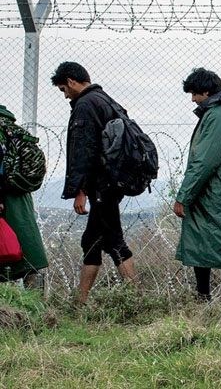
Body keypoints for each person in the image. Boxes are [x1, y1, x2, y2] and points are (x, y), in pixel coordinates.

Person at [52, 62, 138, 304]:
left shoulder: (86, 105)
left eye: (63, 89)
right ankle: (81, 301)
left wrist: (79, 191)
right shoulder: (106, 100)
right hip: (113, 181)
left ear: (70, 81)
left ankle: (136, 298)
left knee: (114, 240)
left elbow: (83, 151)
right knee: (91, 240)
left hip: (101, 185)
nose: (65, 94)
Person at [173, 68, 221, 308]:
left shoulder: (219, 116)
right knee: (200, 242)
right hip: (215, 190)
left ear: (206, 91)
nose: (193, 99)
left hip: (215, 192)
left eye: (195, 94)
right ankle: (202, 299)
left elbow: (205, 160)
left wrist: (184, 195)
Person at [0, 105, 48, 288]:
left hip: (4, 195)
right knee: (28, 252)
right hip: (20, 193)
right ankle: (35, 302)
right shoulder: (11, 128)